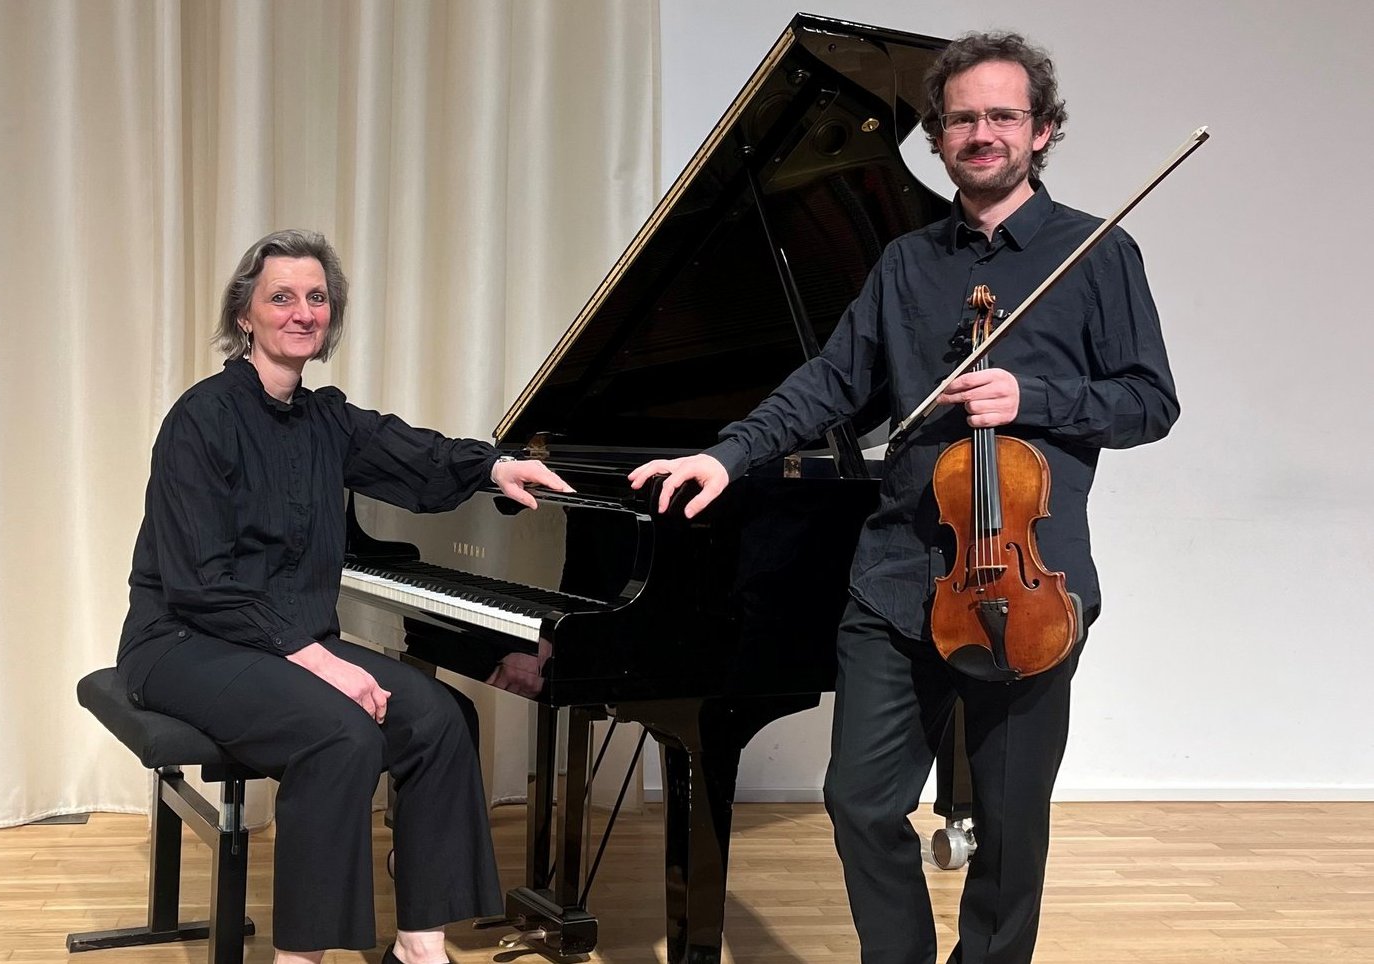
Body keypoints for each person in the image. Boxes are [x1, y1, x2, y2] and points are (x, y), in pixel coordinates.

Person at [628, 32, 1178, 964]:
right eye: (961, 117)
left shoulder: (1097, 251)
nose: (982, 132)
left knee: (1008, 827)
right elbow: (829, 383)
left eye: (1003, 116)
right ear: (937, 134)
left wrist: (1034, 398)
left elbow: (1150, 402)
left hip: (1029, 589)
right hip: (896, 578)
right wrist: (730, 455)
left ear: (1042, 131)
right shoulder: (906, 264)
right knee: (859, 801)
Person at [116, 229, 573, 964]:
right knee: (340, 733)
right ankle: (304, 956)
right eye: (282, 297)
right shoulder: (201, 419)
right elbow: (200, 583)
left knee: (440, 717)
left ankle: (420, 947)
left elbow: (417, 455)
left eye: (318, 298)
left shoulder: (328, 419)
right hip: (181, 642)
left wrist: (496, 467)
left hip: (284, 639)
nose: (303, 312)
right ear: (245, 315)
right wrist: (321, 662)